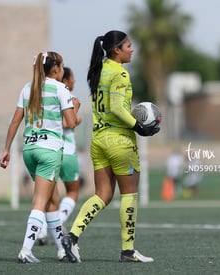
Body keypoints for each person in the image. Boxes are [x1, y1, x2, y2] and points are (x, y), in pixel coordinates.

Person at [61, 30, 159, 263]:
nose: (132, 49)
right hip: (119, 142)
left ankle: (72, 237)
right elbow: (116, 107)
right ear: (116, 50)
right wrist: (139, 126)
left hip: (99, 140)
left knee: (102, 195)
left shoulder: (98, 70)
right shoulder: (120, 74)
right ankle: (128, 251)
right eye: (128, 46)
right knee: (129, 194)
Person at [0, 51, 79, 264]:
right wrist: (75, 107)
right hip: (49, 151)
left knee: (53, 202)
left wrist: (6, 149)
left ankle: (63, 250)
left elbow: (15, 121)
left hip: (30, 150)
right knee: (40, 202)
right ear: (55, 69)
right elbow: (71, 123)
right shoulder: (61, 88)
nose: (62, 70)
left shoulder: (27, 88)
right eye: (61, 66)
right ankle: (26, 250)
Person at [37, 67, 83, 252]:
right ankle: (57, 222)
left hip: (48, 150)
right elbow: (66, 123)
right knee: (72, 191)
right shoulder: (66, 95)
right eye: (72, 79)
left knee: (46, 197)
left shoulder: (44, 96)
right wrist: (77, 115)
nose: (74, 82)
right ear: (67, 80)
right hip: (66, 151)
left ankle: (41, 229)